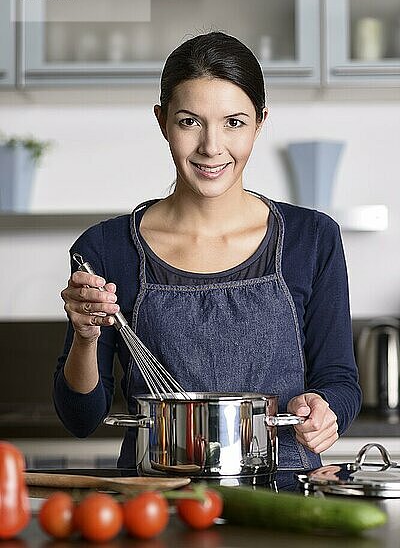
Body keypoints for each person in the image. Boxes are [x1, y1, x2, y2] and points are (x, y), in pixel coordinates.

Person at [55, 31, 361, 471]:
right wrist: (86, 338)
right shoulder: (105, 249)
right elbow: (80, 417)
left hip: (284, 501)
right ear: (162, 122)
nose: (211, 147)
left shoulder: (311, 239)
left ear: (260, 121)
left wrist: (327, 409)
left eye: (233, 122)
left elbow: (340, 381)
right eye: (189, 122)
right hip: (157, 504)